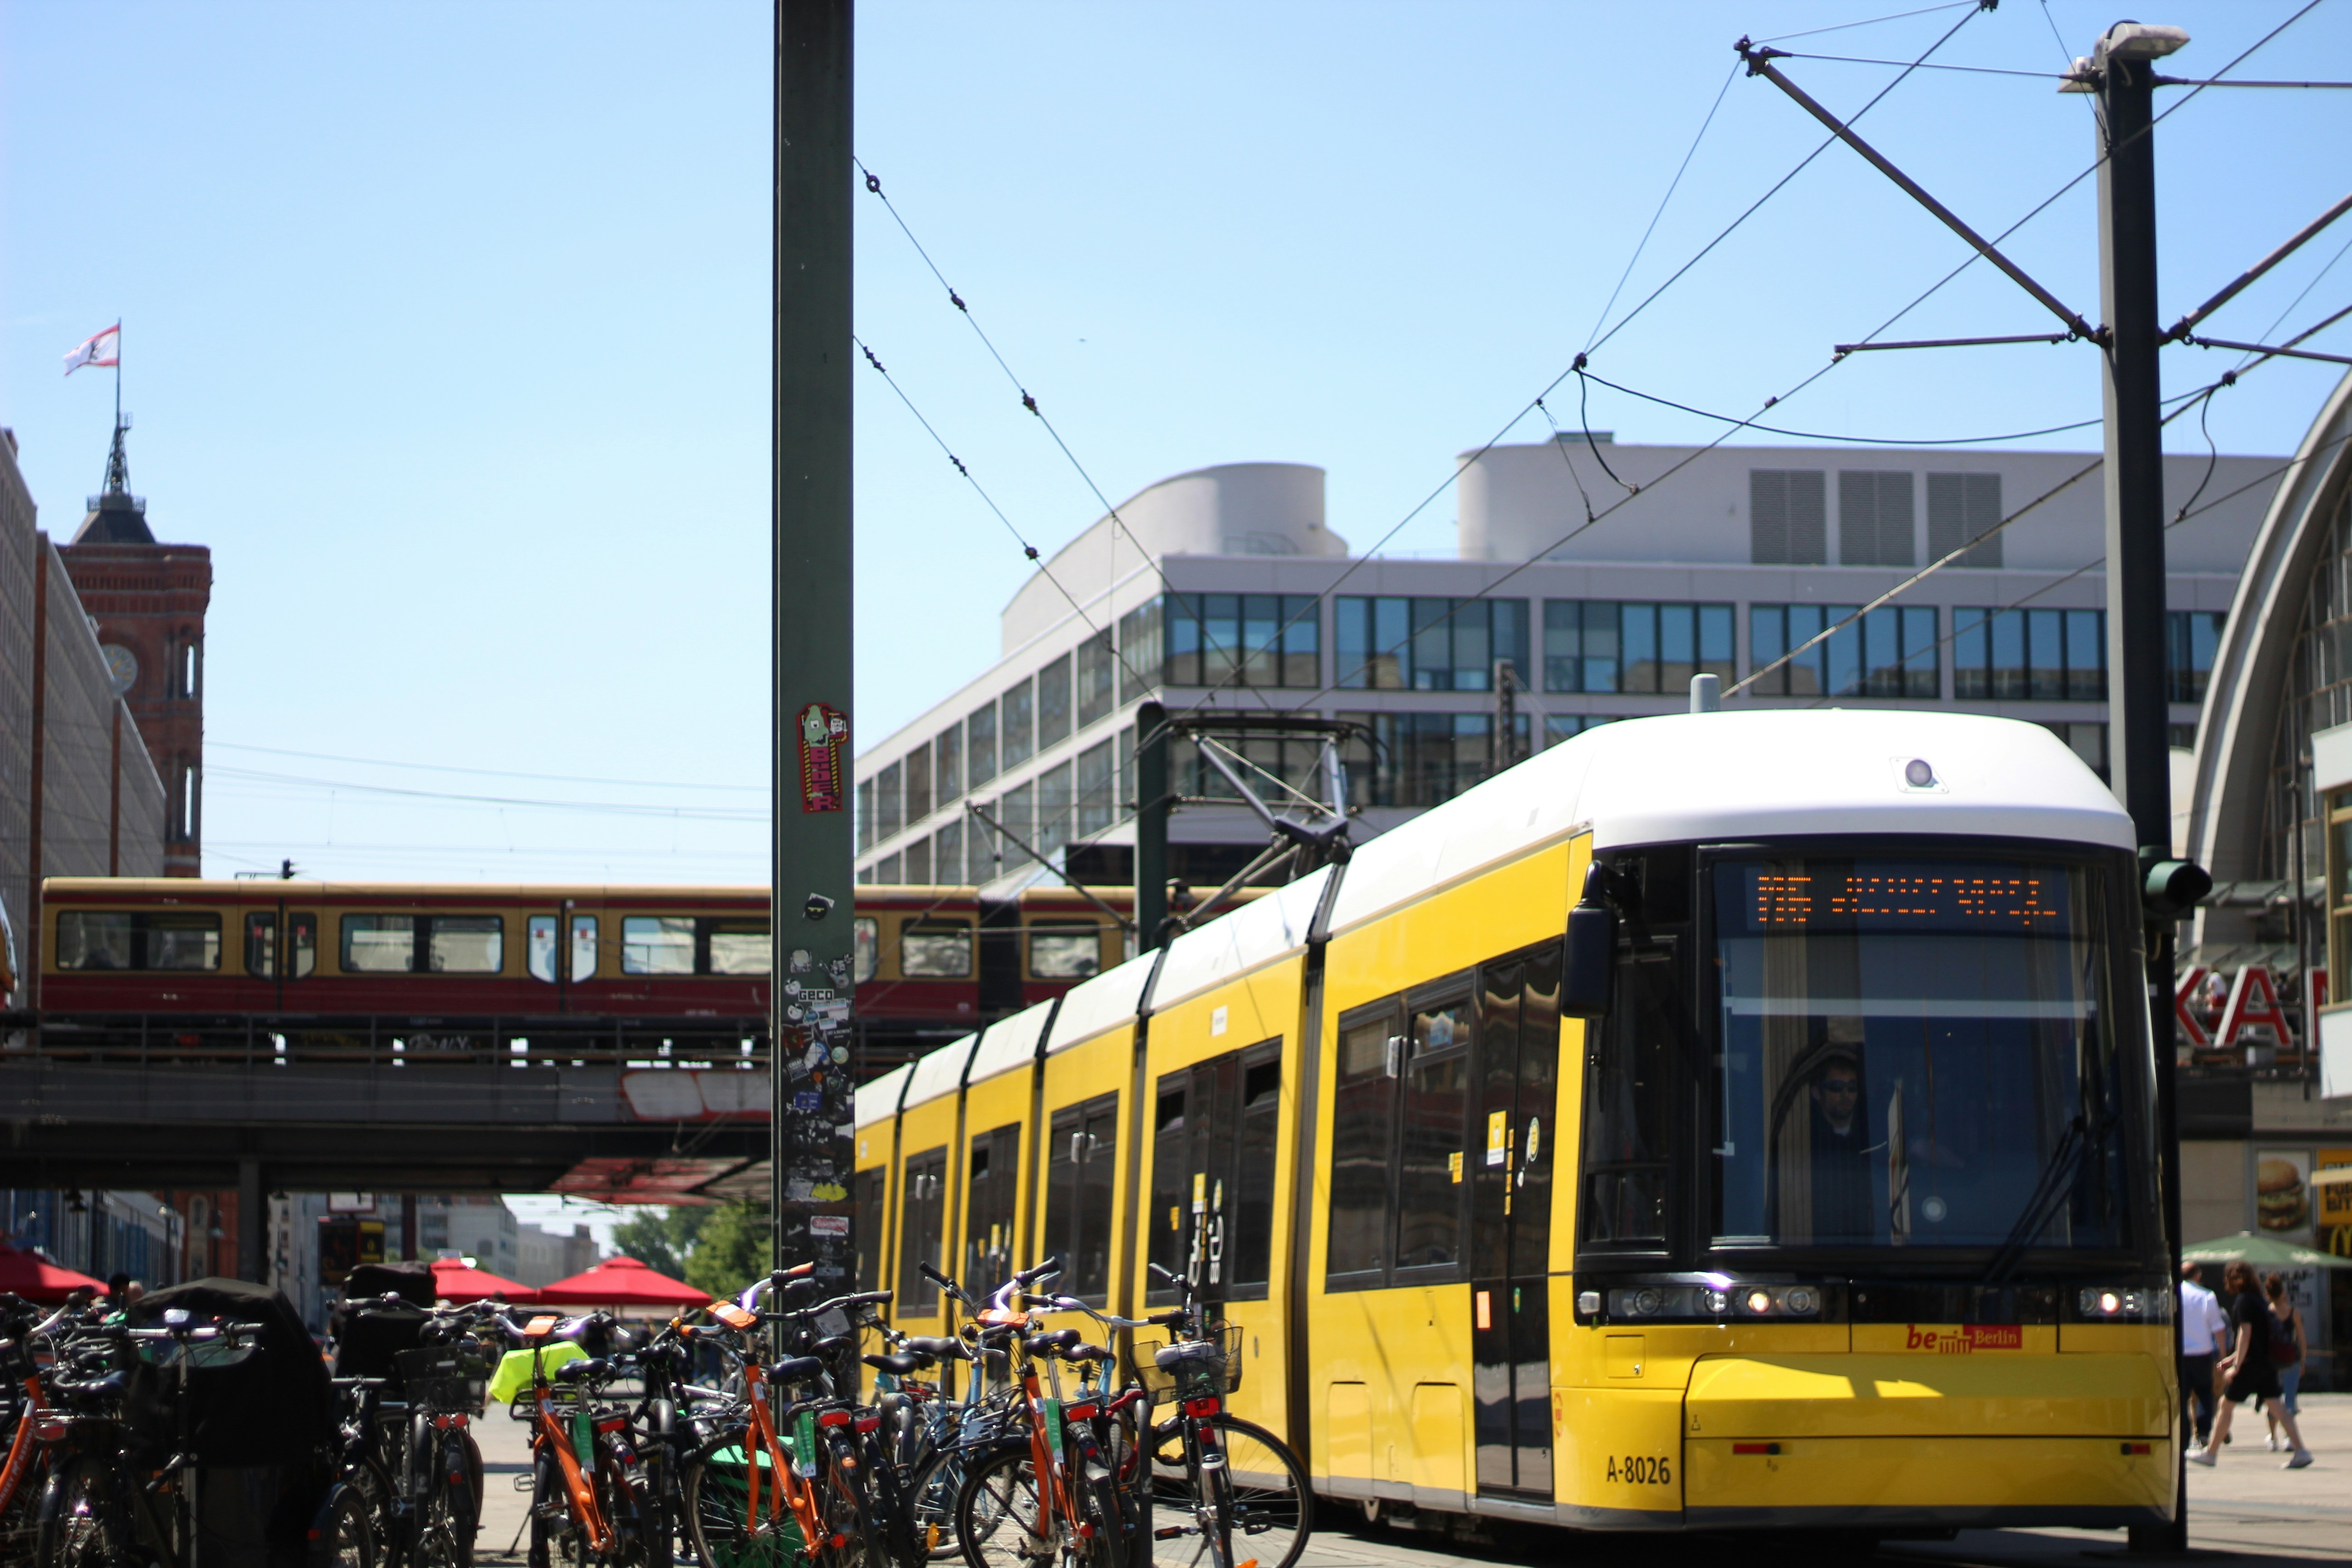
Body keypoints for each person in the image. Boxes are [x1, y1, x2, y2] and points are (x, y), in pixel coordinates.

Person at [2193, 1259, 2312, 1468]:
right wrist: (2232, 1359)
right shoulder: (2258, 1300)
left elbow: (2245, 1334)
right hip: (2265, 1362)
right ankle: (2301, 1450)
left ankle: (2210, 1454)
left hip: (2251, 1364)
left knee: (2225, 1405)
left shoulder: (2244, 1301)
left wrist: (2236, 1366)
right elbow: (2255, 1336)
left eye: (2232, 1278)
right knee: (2278, 1407)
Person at [1808, 1050, 1873, 1241]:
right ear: (1816, 1093)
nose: (1846, 1095)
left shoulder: (1872, 1136)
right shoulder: (1808, 1140)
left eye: (1852, 1088)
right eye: (1836, 1087)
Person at [2177, 1261, 2228, 1451]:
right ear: (2197, 1275)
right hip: (2202, 1352)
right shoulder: (2206, 1296)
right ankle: (2204, 1433)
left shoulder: (2174, 1293)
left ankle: (2184, 1437)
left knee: (2181, 1397)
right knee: (2205, 1394)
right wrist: (2223, 1355)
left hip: (2180, 1353)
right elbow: (2218, 1327)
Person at [2262, 1273, 2308, 1452]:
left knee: (2272, 1398)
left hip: (2272, 1361)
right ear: (2283, 1293)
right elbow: (2301, 1340)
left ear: (2268, 1295)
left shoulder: (2266, 1313)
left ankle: (2273, 1437)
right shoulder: (2293, 1313)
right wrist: (2303, 1360)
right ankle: (2289, 1438)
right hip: (2291, 1360)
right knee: (2290, 1400)